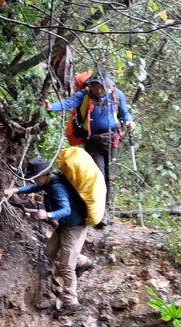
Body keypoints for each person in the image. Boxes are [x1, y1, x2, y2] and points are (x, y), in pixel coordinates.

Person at [43, 71, 135, 226]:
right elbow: (68, 103)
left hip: (112, 141)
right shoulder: (84, 96)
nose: (99, 91)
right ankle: (97, 213)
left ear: (108, 86)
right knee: (97, 175)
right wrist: (51, 107)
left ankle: (107, 211)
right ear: (91, 86)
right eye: (95, 87)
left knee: (109, 177)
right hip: (92, 141)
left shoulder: (116, 95)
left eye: (101, 87)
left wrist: (129, 121)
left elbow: (124, 112)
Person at [5, 157, 95, 316]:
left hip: (75, 226)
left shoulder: (57, 187)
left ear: (44, 174)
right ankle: (83, 262)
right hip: (65, 225)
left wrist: (48, 214)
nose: (34, 179)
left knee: (66, 266)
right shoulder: (48, 181)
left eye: (35, 176)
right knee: (50, 252)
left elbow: (65, 209)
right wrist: (16, 190)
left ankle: (71, 302)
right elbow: (34, 188)